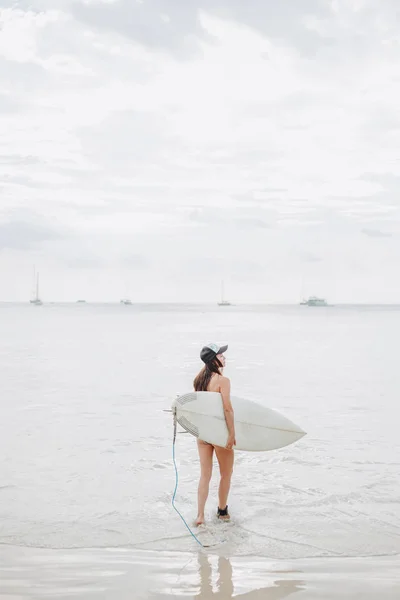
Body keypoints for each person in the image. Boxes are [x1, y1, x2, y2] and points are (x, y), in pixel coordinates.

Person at [193, 342, 236, 526]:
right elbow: (227, 409)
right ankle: (222, 511)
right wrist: (232, 433)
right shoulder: (222, 381)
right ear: (214, 360)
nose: (224, 357)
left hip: (203, 433)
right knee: (226, 474)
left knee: (205, 475)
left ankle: (200, 516)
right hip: (219, 433)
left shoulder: (198, 380)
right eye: (221, 355)